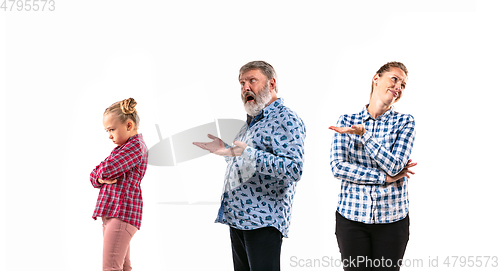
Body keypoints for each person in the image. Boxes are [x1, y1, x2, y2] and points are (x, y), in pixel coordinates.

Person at [193, 61, 306, 271]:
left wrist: (247, 152)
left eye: (252, 80)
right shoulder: (253, 121)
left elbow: (294, 169)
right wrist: (228, 151)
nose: (246, 87)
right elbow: (247, 160)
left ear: (272, 84)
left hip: (263, 220)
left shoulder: (286, 118)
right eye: (242, 82)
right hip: (238, 217)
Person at [329, 62, 417, 271]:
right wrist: (384, 178)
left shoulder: (405, 122)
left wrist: (364, 135)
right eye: (395, 79)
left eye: (403, 85)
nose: (398, 87)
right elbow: (338, 167)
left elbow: (396, 166)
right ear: (376, 78)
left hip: (392, 221)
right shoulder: (347, 121)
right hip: (351, 219)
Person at [90, 98, 148, 271]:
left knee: (111, 267)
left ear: (129, 126)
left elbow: (106, 169)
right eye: (107, 130)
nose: (109, 135)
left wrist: (101, 175)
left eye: (112, 129)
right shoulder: (122, 149)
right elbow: (94, 175)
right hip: (113, 214)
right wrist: (100, 177)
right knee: (122, 267)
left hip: (121, 214)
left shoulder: (135, 146)